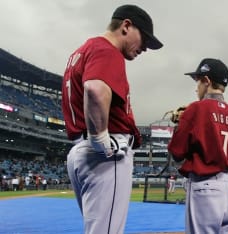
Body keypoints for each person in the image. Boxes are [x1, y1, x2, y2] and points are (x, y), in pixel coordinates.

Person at [61, 4, 162, 234]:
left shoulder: (82, 51)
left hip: (80, 151)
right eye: (143, 38)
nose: (145, 47)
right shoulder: (107, 50)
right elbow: (94, 89)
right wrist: (100, 139)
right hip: (105, 155)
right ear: (126, 26)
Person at [168, 58, 228, 234]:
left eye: (198, 81)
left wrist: (181, 125)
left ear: (207, 81)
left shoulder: (195, 110)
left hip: (205, 186)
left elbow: (177, 152)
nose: (197, 88)